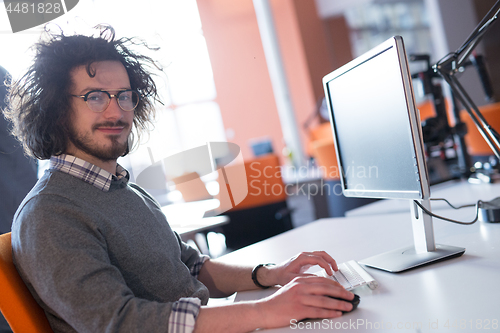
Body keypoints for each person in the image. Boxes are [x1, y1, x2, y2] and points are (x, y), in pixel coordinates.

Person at [3, 25, 354, 333]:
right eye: (95, 97)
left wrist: (271, 275)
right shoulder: (48, 215)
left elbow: (192, 266)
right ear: (56, 110)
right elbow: (120, 324)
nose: (116, 110)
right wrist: (265, 311)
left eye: (124, 96)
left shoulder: (127, 190)